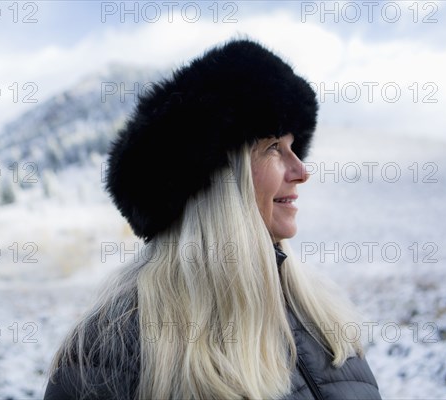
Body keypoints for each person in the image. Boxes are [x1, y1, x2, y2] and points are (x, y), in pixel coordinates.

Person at [44, 38, 382, 400]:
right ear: (217, 181)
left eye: (294, 147)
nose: (301, 171)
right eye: (273, 148)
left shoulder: (321, 323)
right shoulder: (112, 354)